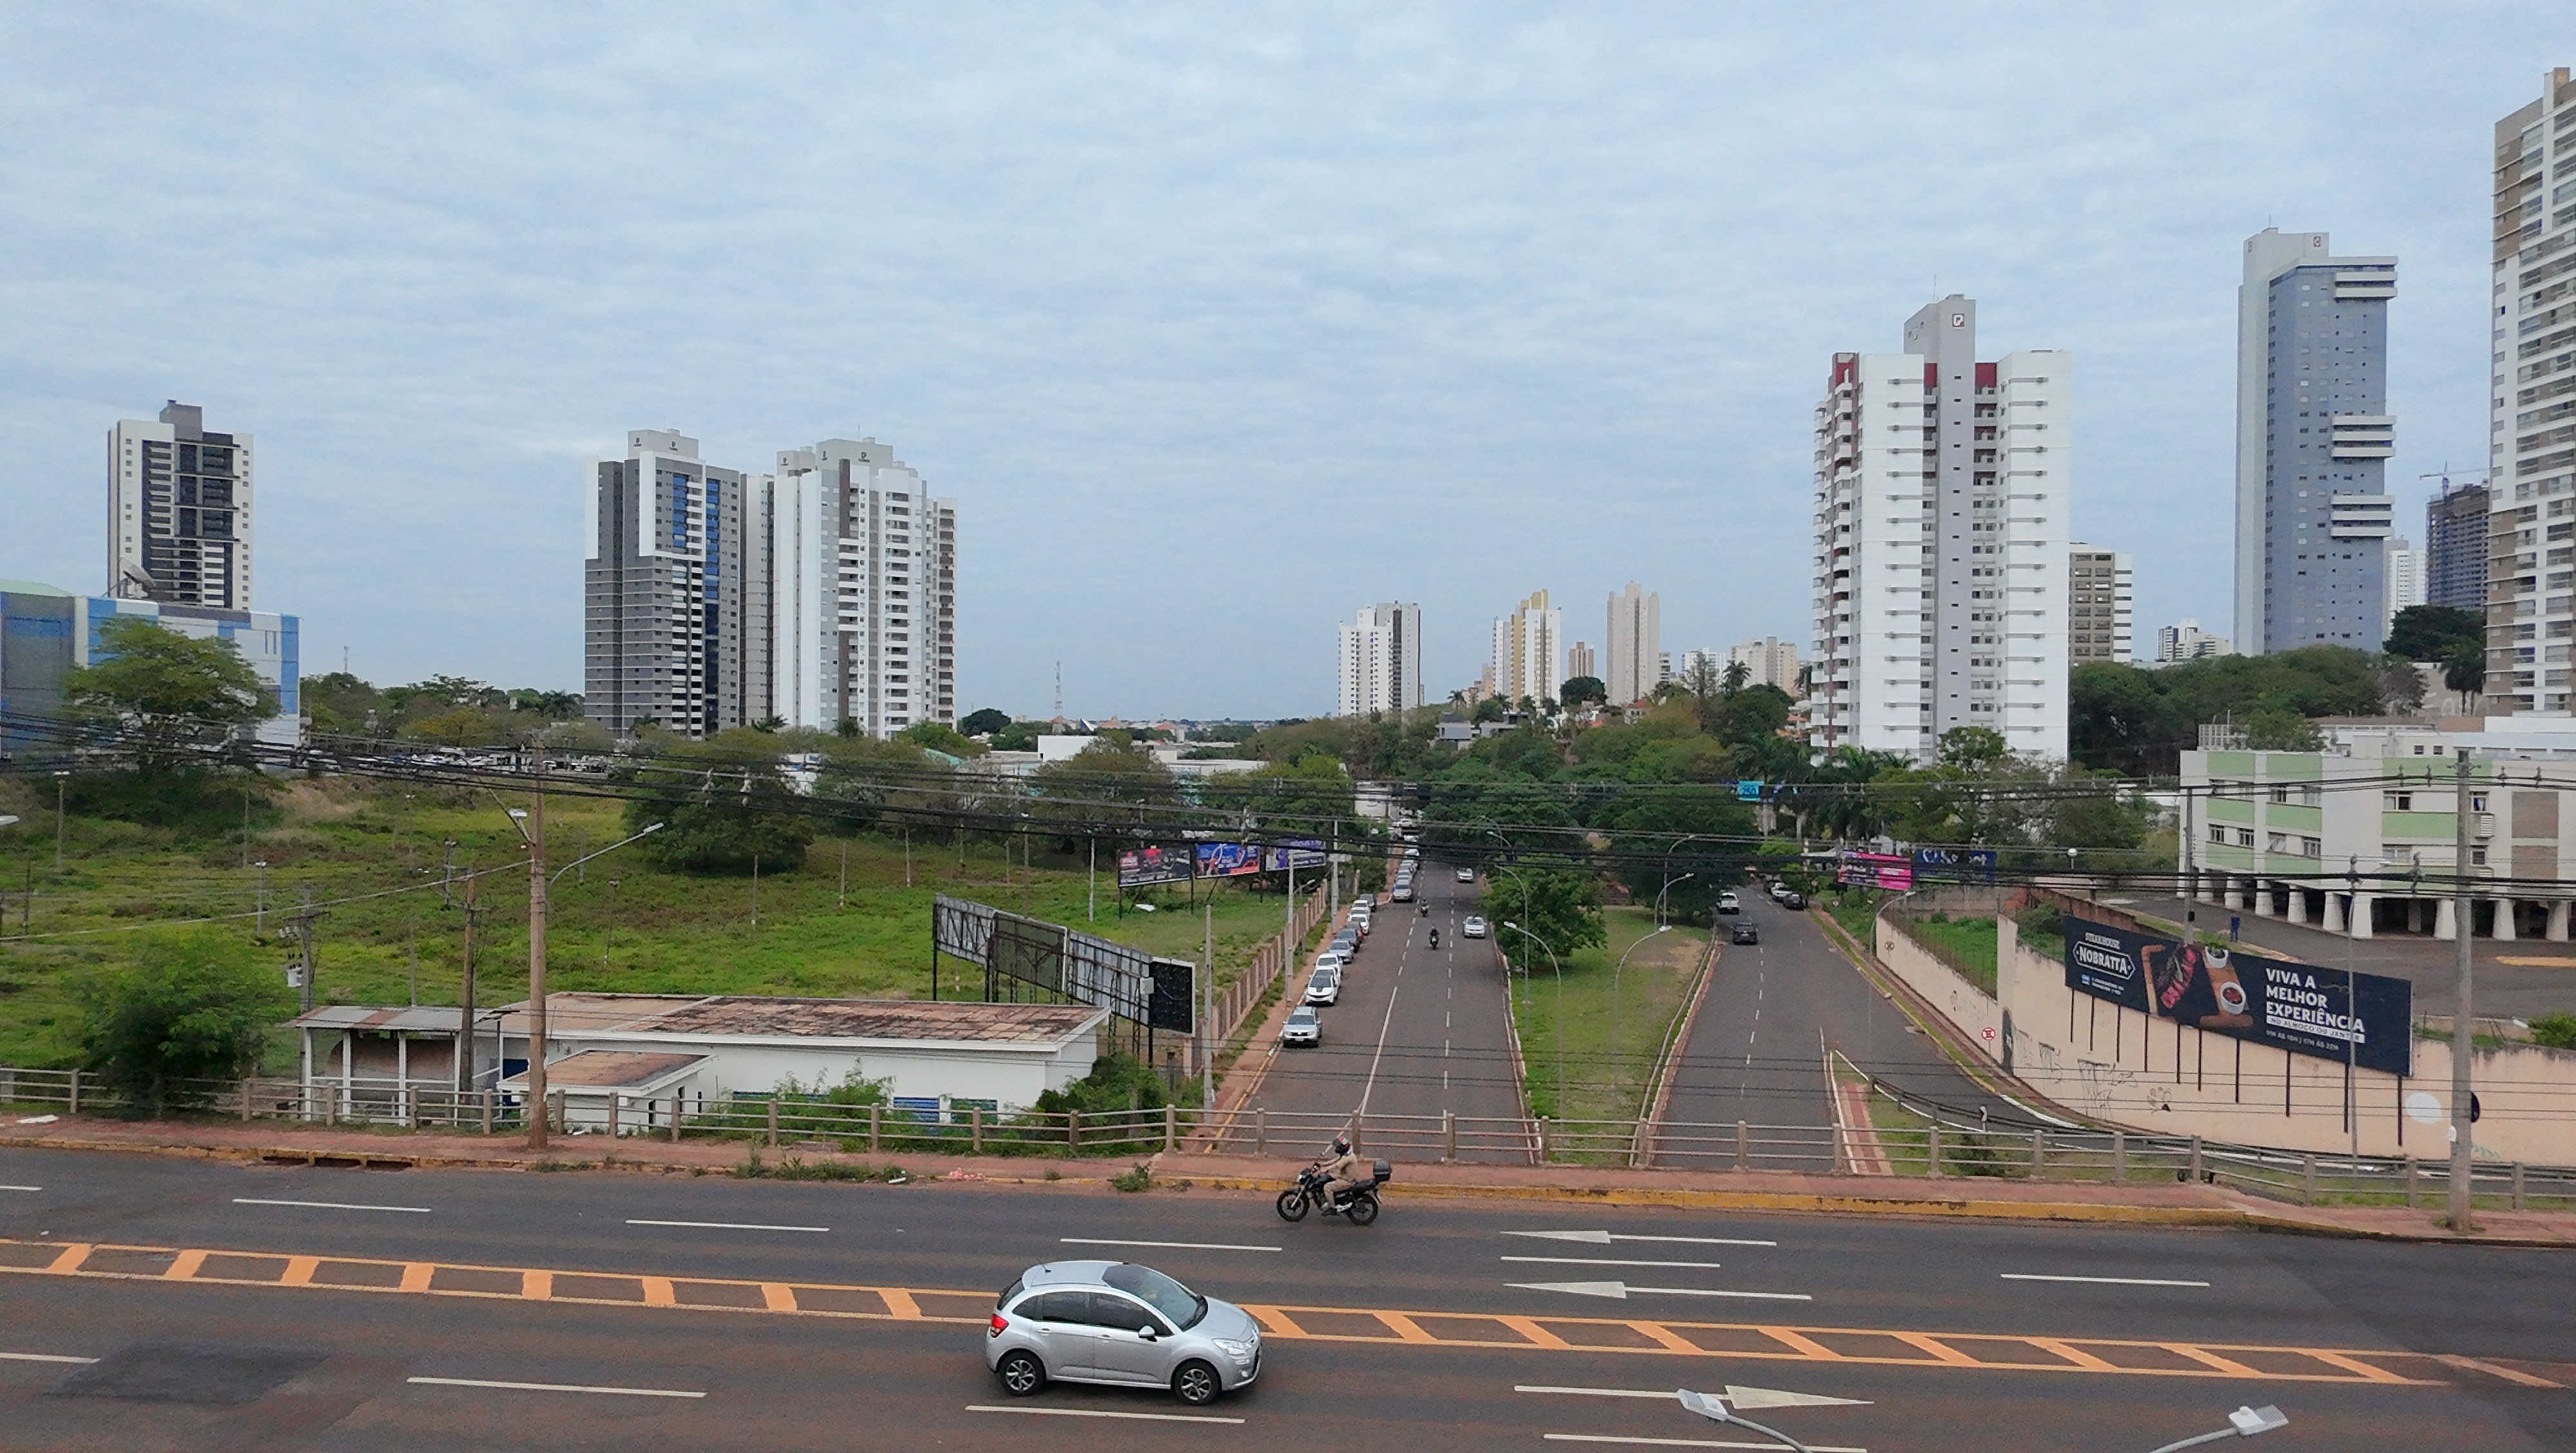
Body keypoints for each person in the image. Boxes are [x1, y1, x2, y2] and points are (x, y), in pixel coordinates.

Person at [1317, 1132, 1368, 1210]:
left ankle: (1333, 1207)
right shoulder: (1346, 1154)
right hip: (1343, 1176)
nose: (1336, 1149)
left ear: (1343, 1148)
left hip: (1347, 1181)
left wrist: (1326, 1169)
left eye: (1338, 1147)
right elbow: (1336, 1160)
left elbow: (1338, 1165)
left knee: (1327, 1187)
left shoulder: (1348, 1157)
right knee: (1330, 1176)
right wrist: (1323, 1164)